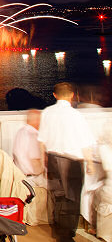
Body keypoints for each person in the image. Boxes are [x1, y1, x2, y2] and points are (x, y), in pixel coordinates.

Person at [38, 82, 96, 242]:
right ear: (72, 95)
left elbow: (42, 139)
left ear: (54, 95)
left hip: (53, 159)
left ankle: (58, 230)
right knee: (72, 198)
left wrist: (45, 160)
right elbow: (85, 142)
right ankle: (66, 235)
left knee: (57, 196)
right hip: (71, 162)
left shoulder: (47, 113)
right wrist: (90, 163)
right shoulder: (75, 115)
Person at [13, 109, 46, 188]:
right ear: (37, 120)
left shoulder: (21, 132)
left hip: (22, 177)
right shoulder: (33, 134)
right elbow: (35, 159)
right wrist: (43, 173)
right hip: (33, 179)